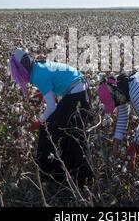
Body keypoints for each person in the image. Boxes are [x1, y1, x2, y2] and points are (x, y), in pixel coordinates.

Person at [9, 49, 93, 186]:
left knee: (50, 131)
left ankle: (52, 176)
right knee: (71, 133)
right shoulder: (38, 66)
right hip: (79, 88)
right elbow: (54, 81)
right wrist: (42, 95)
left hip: (76, 93)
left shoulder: (37, 75)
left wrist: (39, 122)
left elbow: (52, 107)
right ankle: (76, 177)